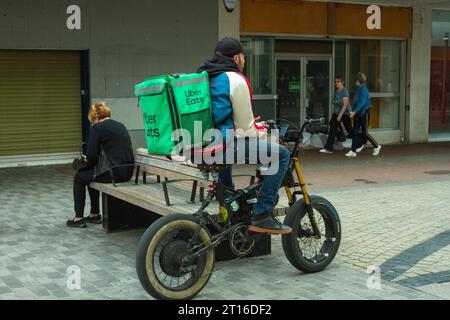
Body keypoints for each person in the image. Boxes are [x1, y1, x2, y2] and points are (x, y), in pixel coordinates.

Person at [198, 37, 292, 234]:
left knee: (228, 152)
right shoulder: (235, 79)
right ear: (236, 58)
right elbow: (246, 127)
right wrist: (262, 130)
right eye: (243, 56)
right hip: (225, 145)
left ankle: (229, 203)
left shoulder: (206, 76)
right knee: (281, 154)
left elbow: (221, 115)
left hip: (204, 143)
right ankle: (263, 214)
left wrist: (250, 125)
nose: (244, 60)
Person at [67, 102, 135, 228]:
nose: (92, 124)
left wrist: (80, 163)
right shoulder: (120, 125)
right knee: (90, 174)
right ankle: (94, 214)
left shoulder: (98, 128)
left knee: (79, 177)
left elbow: (91, 157)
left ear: (96, 118)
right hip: (128, 172)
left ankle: (78, 218)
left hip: (114, 173)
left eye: (92, 121)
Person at [346, 72, 382, 158]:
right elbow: (356, 102)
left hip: (364, 113)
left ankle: (376, 146)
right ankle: (353, 150)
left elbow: (362, 103)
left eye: (355, 80)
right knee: (355, 132)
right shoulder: (359, 89)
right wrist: (352, 111)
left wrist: (354, 111)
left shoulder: (364, 90)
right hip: (358, 113)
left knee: (364, 133)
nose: (355, 82)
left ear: (358, 81)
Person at [320, 76, 352, 154]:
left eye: (338, 82)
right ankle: (329, 148)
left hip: (344, 114)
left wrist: (340, 116)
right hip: (336, 113)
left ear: (342, 83)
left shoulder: (344, 91)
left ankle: (360, 142)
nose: (336, 83)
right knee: (332, 128)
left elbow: (345, 105)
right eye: (335, 82)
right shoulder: (337, 91)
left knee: (350, 130)